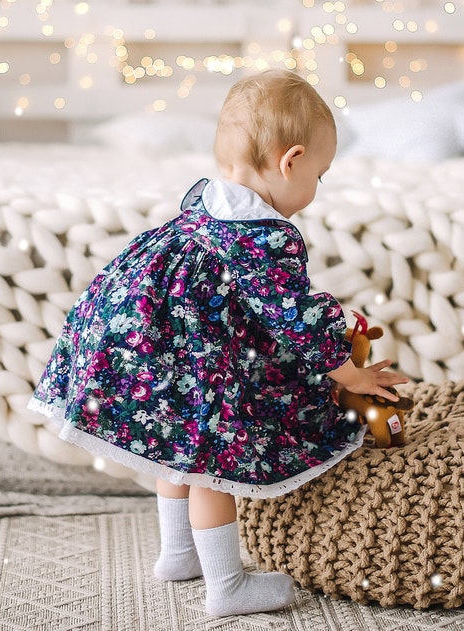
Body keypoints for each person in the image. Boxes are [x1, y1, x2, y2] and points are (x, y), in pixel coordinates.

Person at [27, 69, 408, 617]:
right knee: (212, 467)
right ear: (290, 161)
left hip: (144, 344)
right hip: (187, 354)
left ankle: (178, 553)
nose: (317, 189)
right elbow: (296, 321)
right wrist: (353, 375)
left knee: (177, 453)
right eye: (319, 176)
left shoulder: (204, 201)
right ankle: (226, 587)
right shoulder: (265, 236)